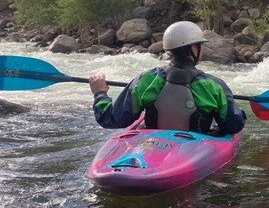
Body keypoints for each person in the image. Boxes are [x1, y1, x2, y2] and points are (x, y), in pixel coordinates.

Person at [88, 21, 246, 136]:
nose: (202, 50)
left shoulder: (147, 80)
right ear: (193, 48)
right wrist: (240, 113)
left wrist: (100, 94)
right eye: (200, 46)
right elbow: (233, 125)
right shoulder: (213, 86)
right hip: (194, 152)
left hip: (152, 148)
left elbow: (111, 119)